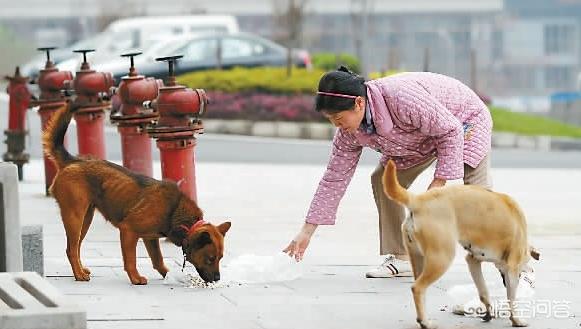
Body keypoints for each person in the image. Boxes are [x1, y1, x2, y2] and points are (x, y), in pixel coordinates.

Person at [283, 66, 534, 287]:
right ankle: (401, 257)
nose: (337, 126)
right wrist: (307, 231)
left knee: (479, 200)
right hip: (417, 140)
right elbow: (334, 177)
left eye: (338, 118)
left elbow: (449, 130)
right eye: (331, 121)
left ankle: (519, 263)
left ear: (359, 103)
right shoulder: (348, 132)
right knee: (384, 182)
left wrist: (437, 186)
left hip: (464, 122)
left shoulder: (400, 97)